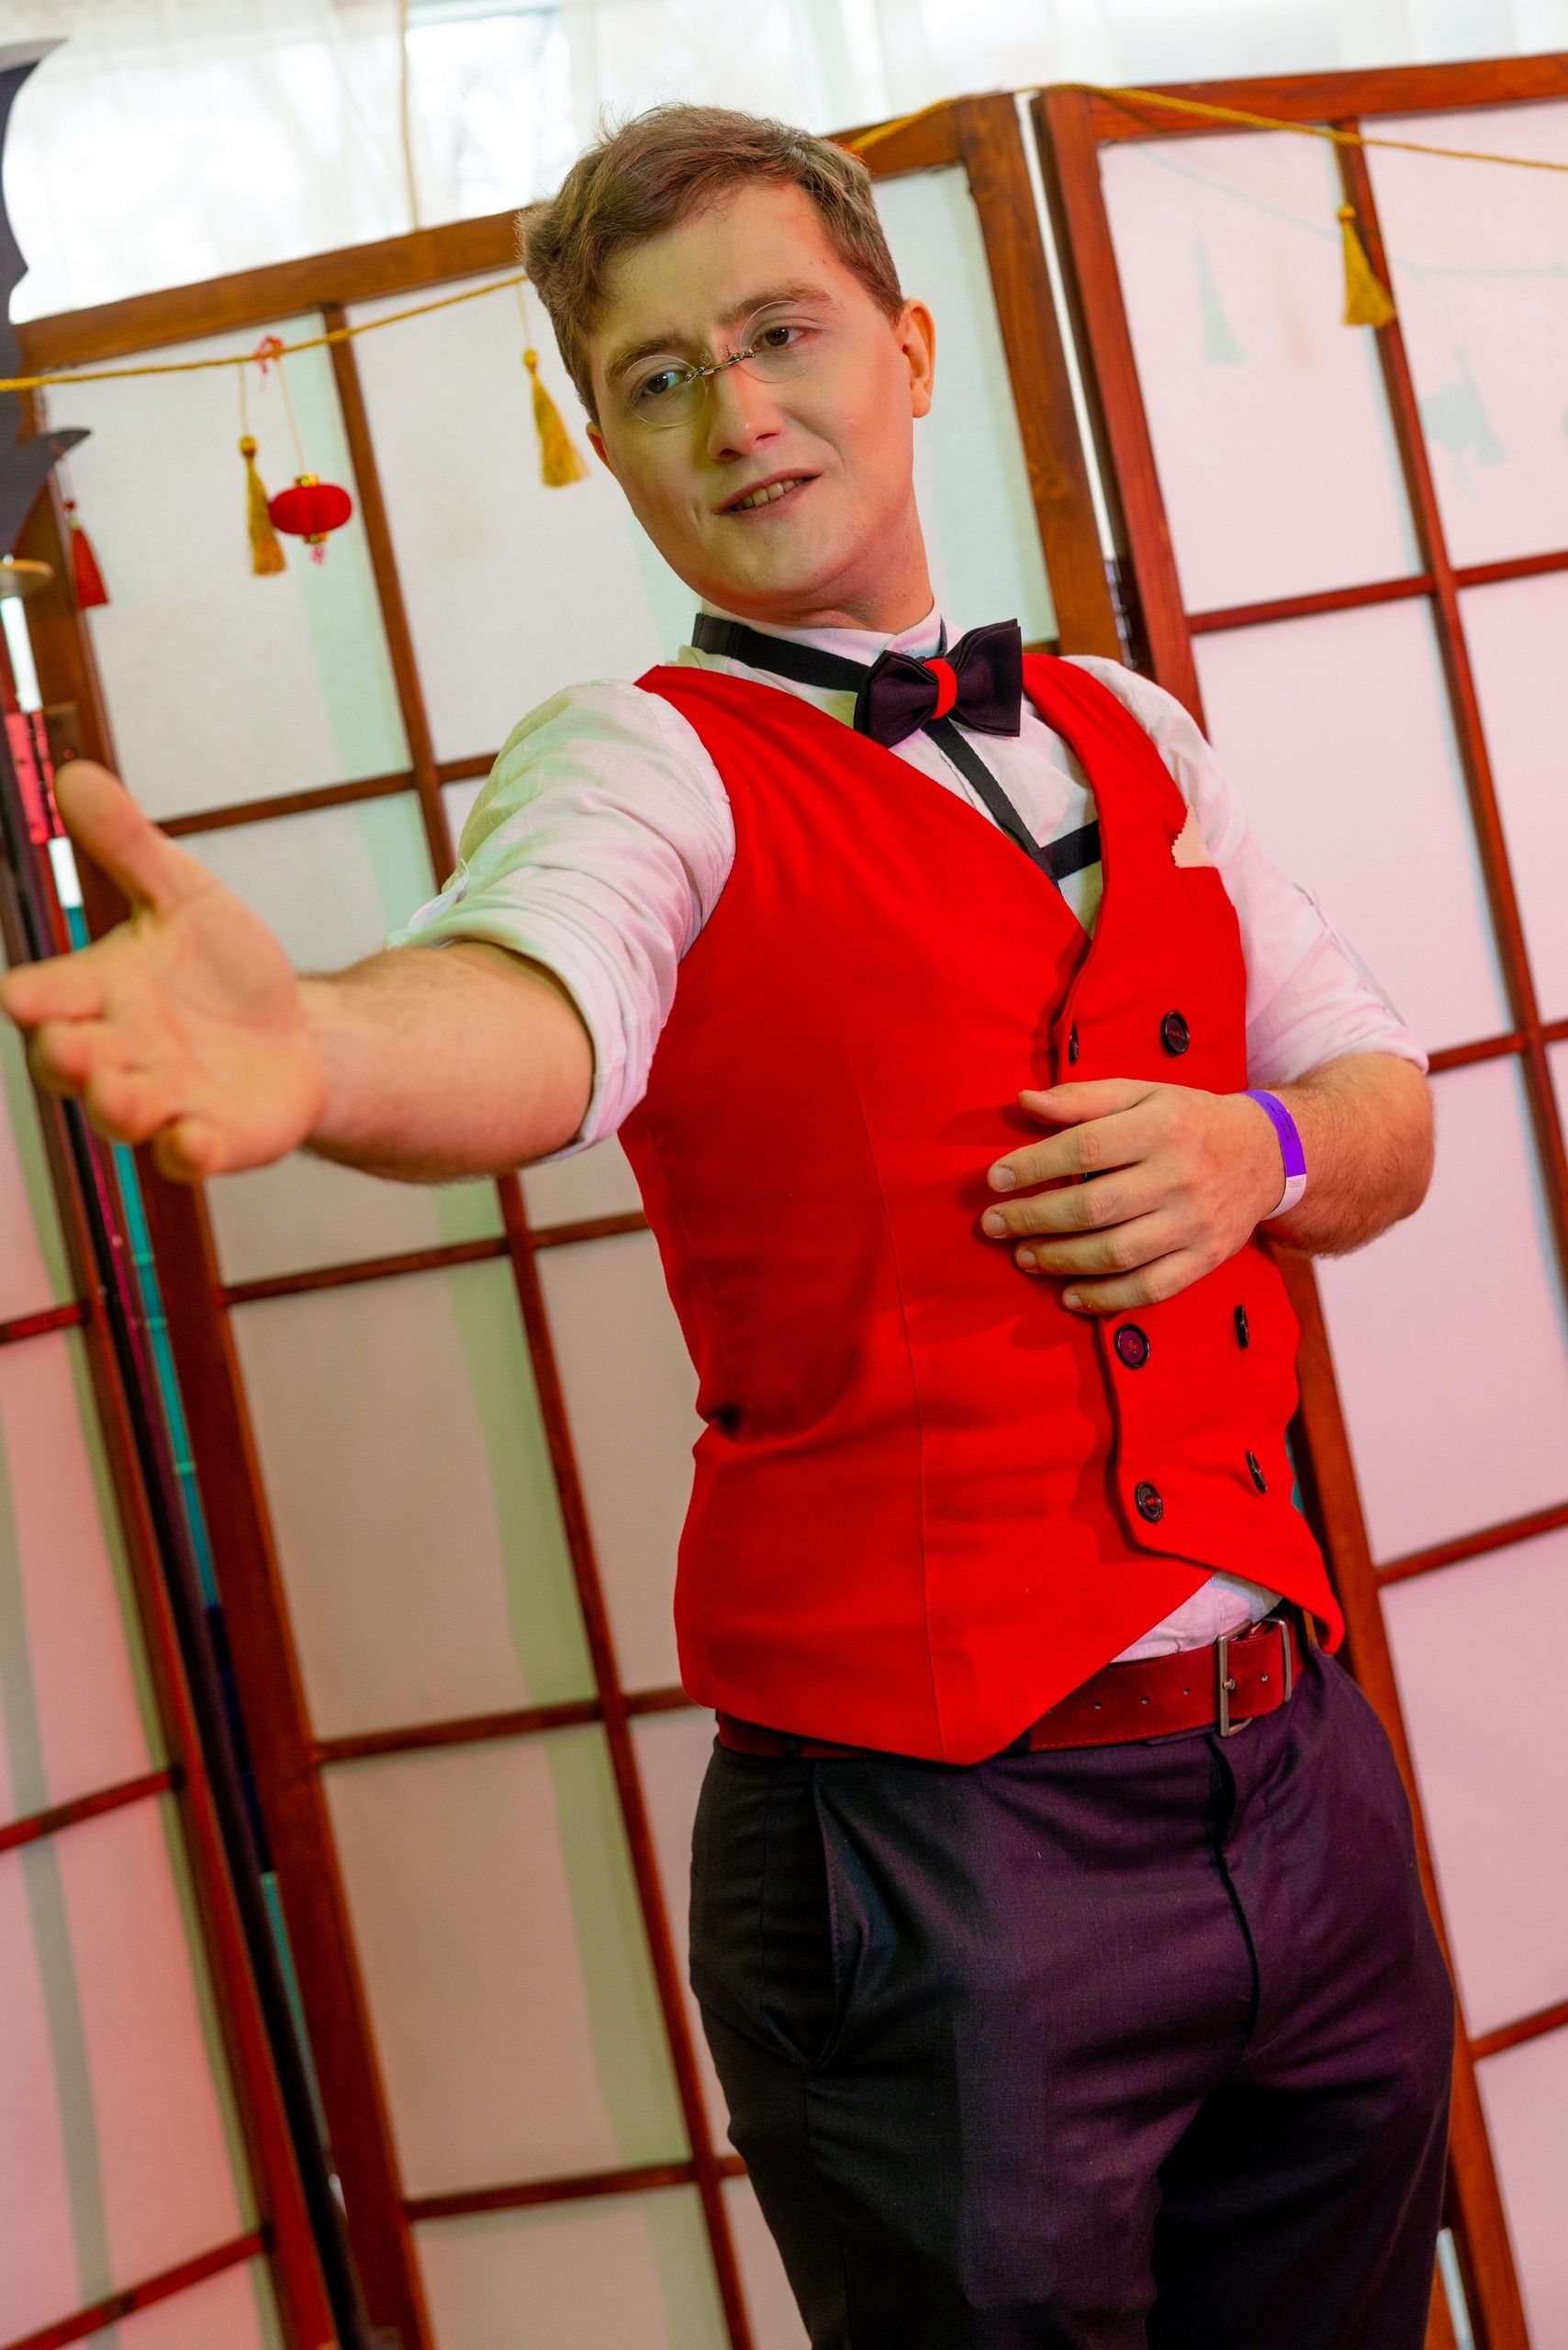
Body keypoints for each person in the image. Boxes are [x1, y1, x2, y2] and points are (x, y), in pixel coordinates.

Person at [4, 106, 1450, 2350]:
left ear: (907, 344)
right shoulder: (637, 763)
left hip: (1297, 1770)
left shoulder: (1133, 726)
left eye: (780, 335)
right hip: (939, 1862)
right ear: (602, 442)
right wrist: (328, 1049)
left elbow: (1381, 1105)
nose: (736, 414)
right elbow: (532, 1008)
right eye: (658, 377)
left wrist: (1256, 1146)